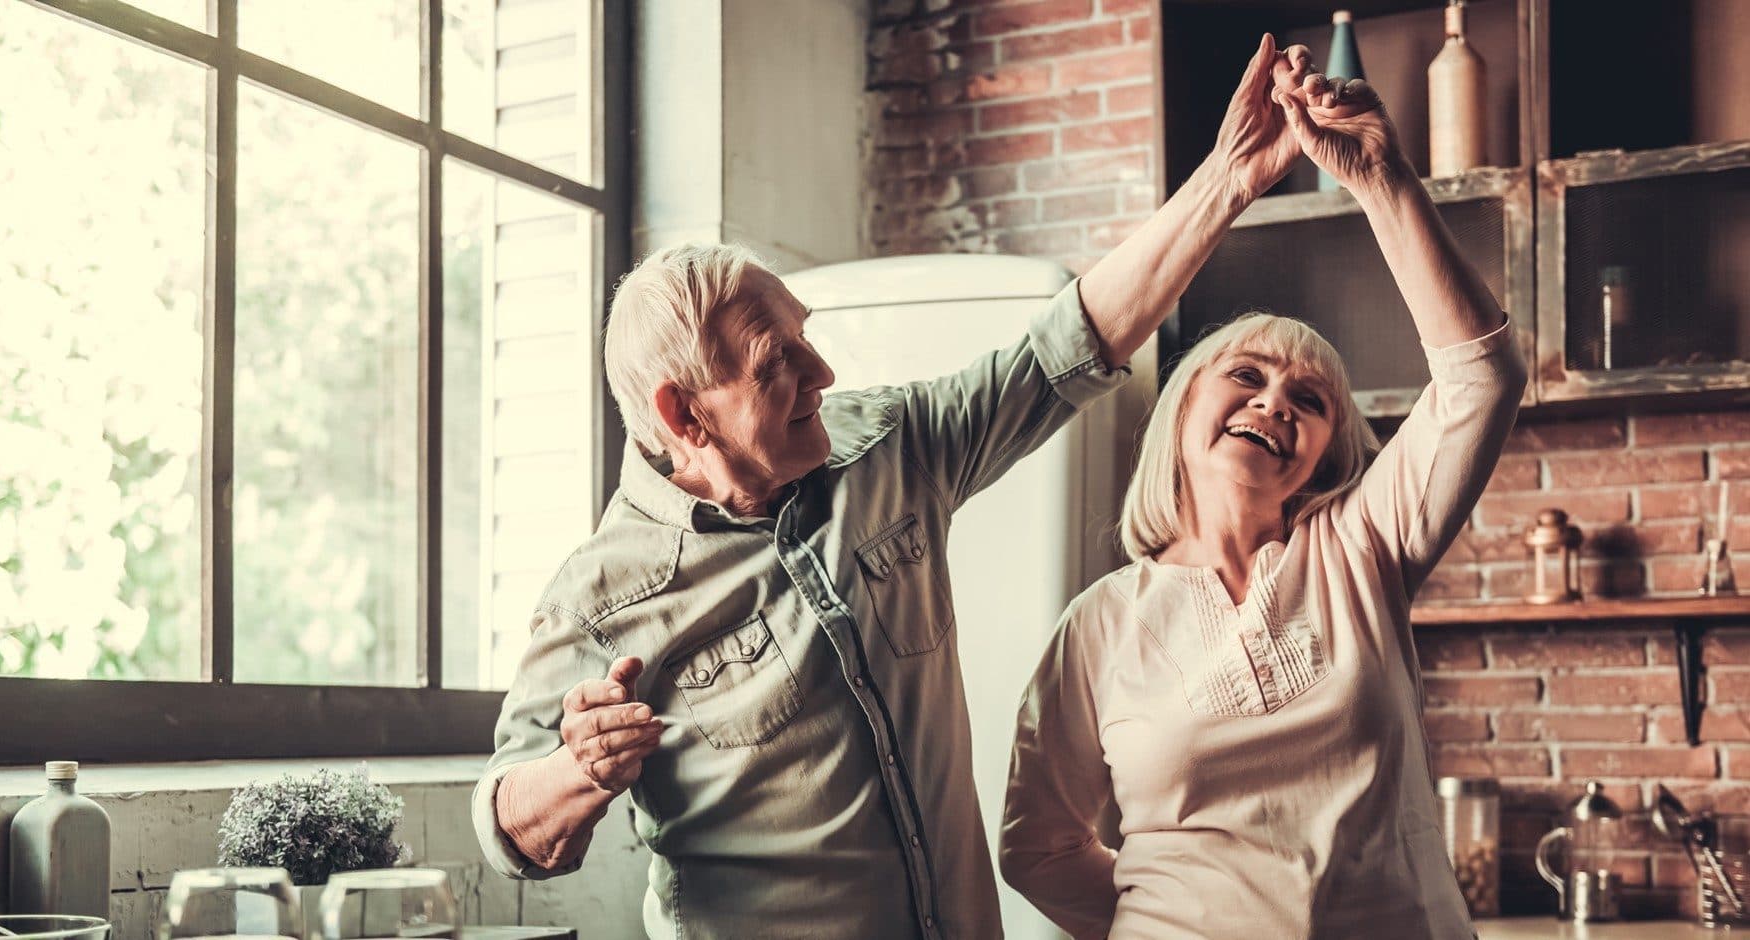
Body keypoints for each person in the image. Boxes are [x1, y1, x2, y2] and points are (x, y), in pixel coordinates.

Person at [474, 34, 1321, 940]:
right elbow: (512, 834)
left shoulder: (887, 446)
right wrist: (580, 770)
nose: (824, 372)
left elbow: (1067, 348)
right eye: (779, 365)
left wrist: (1227, 180)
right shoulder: (601, 598)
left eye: (807, 337)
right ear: (685, 414)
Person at [998, 43, 1527, 940]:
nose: (1274, 401)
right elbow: (1036, 846)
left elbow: (1480, 381)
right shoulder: (1100, 623)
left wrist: (1380, 177)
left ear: (1323, 454)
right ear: (1181, 409)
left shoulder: (1360, 546)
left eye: (1309, 399)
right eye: (1246, 376)